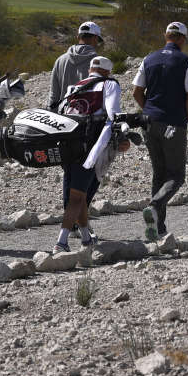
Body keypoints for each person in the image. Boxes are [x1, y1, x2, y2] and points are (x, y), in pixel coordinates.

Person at [130, 21, 188, 240]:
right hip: (173, 123)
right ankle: (155, 205)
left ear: (166, 35)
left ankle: (157, 229)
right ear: (182, 39)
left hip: (149, 121)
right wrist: (187, 116)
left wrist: (149, 110)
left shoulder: (148, 59)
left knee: (159, 174)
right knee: (176, 176)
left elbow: (136, 91)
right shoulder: (187, 61)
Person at [55, 52, 122, 252]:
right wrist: (122, 137)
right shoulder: (110, 84)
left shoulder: (73, 87)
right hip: (90, 147)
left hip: (67, 145)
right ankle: (61, 242)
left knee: (80, 194)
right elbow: (113, 114)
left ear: (91, 69)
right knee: (76, 197)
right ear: (107, 72)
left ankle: (86, 238)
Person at [52, 21, 104, 110]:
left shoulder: (59, 60)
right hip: (85, 118)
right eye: (98, 41)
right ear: (95, 38)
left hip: (62, 116)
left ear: (78, 37)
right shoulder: (99, 63)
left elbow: (53, 95)